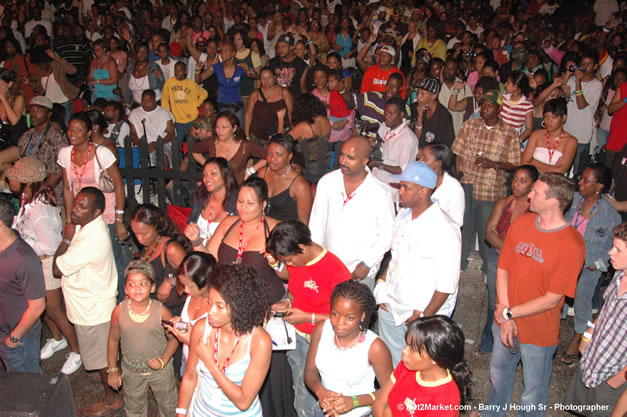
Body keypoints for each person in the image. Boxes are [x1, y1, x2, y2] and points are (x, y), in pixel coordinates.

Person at [479, 174, 585, 417]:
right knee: (498, 378)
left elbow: (552, 298)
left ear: (553, 202)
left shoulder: (572, 245)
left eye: (536, 192)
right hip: (504, 318)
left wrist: (509, 313)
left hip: (538, 330)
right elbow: (503, 268)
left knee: (533, 393)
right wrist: (505, 315)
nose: (529, 195)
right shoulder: (522, 223)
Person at [374, 162, 461, 366]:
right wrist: (381, 287)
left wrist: (423, 317)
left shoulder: (445, 228)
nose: (400, 192)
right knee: (392, 368)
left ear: (423, 191)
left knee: (420, 368)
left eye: (406, 187)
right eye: (400, 186)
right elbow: (395, 256)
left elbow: (447, 284)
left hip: (421, 316)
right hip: (391, 306)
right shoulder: (403, 216)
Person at [266, 220, 352, 417]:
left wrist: (309, 317)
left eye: (289, 260)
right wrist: (287, 301)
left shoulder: (336, 271)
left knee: (321, 399)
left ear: (302, 248)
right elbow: (296, 289)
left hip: (323, 342)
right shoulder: (297, 259)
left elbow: (349, 319)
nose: (288, 265)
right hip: (297, 338)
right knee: (301, 394)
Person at [6, 157, 81, 373]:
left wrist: (21, 245)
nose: (10, 181)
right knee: (43, 310)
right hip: (34, 264)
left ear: (28, 183)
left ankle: (77, 350)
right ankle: (58, 338)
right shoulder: (27, 201)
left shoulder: (41, 210)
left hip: (46, 266)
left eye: (15, 179)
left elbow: (50, 246)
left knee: (55, 310)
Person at [52, 187, 122, 416]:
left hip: (93, 309)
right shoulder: (90, 225)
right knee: (99, 353)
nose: (75, 209)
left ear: (97, 212)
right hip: (89, 303)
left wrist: (65, 238)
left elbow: (56, 269)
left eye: (83, 207)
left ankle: (111, 398)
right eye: (76, 203)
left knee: (103, 358)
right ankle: (102, 373)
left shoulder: (90, 239)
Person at [177, 263, 272, 417]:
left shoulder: (259, 341)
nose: (210, 311)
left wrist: (210, 364)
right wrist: (181, 413)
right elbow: (190, 377)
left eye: (219, 306)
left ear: (239, 306)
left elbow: (243, 402)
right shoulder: (202, 329)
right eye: (209, 302)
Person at [309, 136, 395, 289]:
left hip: (358, 272)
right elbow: (316, 222)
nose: (343, 160)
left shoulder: (380, 193)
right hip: (327, 266)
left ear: (365, 161)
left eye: (350, 158)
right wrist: (315, 257)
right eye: (342, 154)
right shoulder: (327, 182)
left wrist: (367, 263)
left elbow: (387, 234)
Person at [452, 90, 521, 274]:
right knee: (463, 228)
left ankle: (487, 268)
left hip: (490, 189)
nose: (485, 108)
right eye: (483, 104)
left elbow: (515, 164)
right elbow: (457, 153)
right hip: (467, 184)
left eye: (490, 105)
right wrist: (459, 176)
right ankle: (459, 265)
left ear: (499, 108)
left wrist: (494, 164)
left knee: (486, 231)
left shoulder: (509, 133)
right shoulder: (470, 125)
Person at [563, 222, 627, 416]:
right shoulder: (619, 274)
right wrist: (588, 334)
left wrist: (616, 380)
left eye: (618, 249)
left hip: (612, 375)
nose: (610, 252)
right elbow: (605, 311)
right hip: (592, 361)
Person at [304, 280, 394, 417]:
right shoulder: (322, 329)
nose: (339, 323)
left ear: (363, 316)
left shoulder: (374, 347)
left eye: (350, 317)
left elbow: (391, 390)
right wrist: (320, 391)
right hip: (324, 411)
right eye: (335, 314)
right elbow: (310, 370)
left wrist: (354, 401)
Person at [561, 164, 621, 364]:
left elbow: (614, 246)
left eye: (587, 180)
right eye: (581, 178)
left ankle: (578, 339)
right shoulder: (573, 201)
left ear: (599, 186)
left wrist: (598, 265)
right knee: (558, 296)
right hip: (564, 260)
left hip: (588, 267)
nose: (580, 183)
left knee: (582, 303)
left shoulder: (610, 215)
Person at [476, 165, 539, 355]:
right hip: (500, 258)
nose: (516, 184)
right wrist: (513, 251)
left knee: (518, 302)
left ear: (533, 184)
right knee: (495, 303)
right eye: (515, 179)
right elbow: (489, 232)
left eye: (523, 181)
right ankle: (489, 341)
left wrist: (511, 251)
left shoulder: (535, 208)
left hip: (524, 262)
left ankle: (515, 343)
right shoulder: (504, 202)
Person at [106, 260, 179, 417]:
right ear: (125, 288)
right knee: (134, 408)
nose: (137, 288)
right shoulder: (118, 312)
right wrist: (112, 369)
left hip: (161, 372)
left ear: (152, 287)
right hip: (132, 372)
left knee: (169, 406)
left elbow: (174, 339)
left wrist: (163, 360)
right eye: (131, 284)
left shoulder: (162, 311)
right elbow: (112, 341)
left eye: (143, 283)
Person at [373, 316, 472, 417]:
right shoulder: (407, 366)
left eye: (412, 349)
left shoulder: (445, 402)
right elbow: (380, 403)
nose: (404, 351)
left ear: (435, 358)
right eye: (407, 345)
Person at [0, 198, 46, 373]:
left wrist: (13, 338)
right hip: (4, 329)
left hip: (19, 338)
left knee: (28, 385)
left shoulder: (24, 258)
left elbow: (38, 306)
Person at [0, 96, 67, 210]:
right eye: (32, 110)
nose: (34, 114)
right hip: (27, 188)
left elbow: (55, 176)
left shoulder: (56, 139)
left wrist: (33, 194)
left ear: (49, 114)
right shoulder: (28, 134)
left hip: (45, 196)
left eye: (40, 111)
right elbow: (21, 157)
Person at [163, 252, 217, 377]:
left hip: (206, 371)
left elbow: (218, 348)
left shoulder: (218, 307)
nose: (186, 290)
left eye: (190, 286)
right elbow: (191, 327)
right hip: (187, 362)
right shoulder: (191, 295)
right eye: (183, 285)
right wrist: (179, 324)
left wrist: (191, 340)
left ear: (206, 280)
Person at [130, 204, 189, 316]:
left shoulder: (171, 249)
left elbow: (193, 277)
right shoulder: (148, 246)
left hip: (172, 312)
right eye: (135, 234)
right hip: (153, 310)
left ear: (156, 226)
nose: (139, 238)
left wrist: (170, 281)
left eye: (144, 234)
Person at [190, 111, 267, 184]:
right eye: (217, 127)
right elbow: (194, 150)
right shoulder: (212, 142)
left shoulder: (245, 145)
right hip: (215, 189)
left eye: (224, 127)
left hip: (236, 190)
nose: (220, 131)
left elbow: (269, 156)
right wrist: (208, 166)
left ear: (234, 128)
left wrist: (251, 170)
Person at [258, 133, 313, 224]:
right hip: (263, 229)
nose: (272, 159)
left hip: (286, 234)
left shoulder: (300, 185)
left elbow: (304, 223)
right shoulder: (262, 173)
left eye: (278, 155)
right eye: (269, 153)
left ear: (290, 156)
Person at [370, 97, 419, 198]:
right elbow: (380, 145)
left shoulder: (407, 139)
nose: (387, 116)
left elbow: (403, 169)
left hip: (390, 188)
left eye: (391, 114)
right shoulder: (384, 126)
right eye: (386, 113)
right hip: (375, 180)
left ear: (401, 115)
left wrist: (378, 164)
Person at [185, 158, 239, 249]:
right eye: (204, 174)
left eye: (213, 173)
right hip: (197, 252)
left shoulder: (238, 202)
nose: (207, 178)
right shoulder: (201, 198)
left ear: (225, 175)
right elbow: (189, 225)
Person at [522, 98, 578, 174]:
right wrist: (554, 168)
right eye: (546, 116)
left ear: (563, 118)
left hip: (556, 183)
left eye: (554, 117)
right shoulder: (536, 134)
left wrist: (533, 161)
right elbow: (524, 163)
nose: (549, 120)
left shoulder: (571, 141)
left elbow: (561, 170)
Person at [287, 93, 331, 184]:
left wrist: (280, 120)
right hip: (326, 166)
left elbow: (282, 142)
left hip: (309, 170)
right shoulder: (325, 120)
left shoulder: (303, 126)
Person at [418, 143, 465, 228]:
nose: (420, 161)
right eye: (420, 157)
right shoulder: (418, 181)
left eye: (425, 158)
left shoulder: (453, 187)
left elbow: (457, 222)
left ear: (439, 163)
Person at [161, 61, 208, 144]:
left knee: (192, 143)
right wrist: (168, 116)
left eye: (180, 70)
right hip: (177, 120)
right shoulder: (169, 82)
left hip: (192, 119)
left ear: (185, 71)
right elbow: (164, 100)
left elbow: (204, 93)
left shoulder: (191, 83)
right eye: (176, 70)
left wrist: (197, 103)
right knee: (176, 144)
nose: (177, 73)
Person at [244, 66, 293, 145]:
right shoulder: (254, 94)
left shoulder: (284, 92)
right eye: (263, 78)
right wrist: (247, 136)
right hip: (258, 136)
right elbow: (248, 115)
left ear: (274, 78)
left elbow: (291, 113)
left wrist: (292, 131)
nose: (266, 81)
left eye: (269, 78)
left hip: (279, 135)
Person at [128, 89, 176, 167]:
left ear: (154, 100)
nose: (145, 104)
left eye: (148, 101)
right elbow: (133, 134)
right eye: (143, 100)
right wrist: (143, 145)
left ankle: (163, 178)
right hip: (141, 144)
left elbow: (171, 133)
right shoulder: (134, 113)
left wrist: (157, 144)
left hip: (161, 143)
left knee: (163, 157)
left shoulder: (164, 112)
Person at [413, 77, 455, 149]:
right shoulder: (419, 107)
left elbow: (447, 147)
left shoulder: (443, 115)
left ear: (433, 96)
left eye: (423, 94)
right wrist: (419, 116)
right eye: (418, 92)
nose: (418, 96)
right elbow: (416, 138)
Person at [269, 34, 308, 101]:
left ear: (291, 47)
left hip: (294, 100)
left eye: (283, 46)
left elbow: (303, 88)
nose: (280, 49)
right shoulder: (272, 62)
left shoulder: (302, 65)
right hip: (275, 100)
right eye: (278, 47)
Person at [500, 70, 534, 144]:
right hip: (497, 137)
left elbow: (528, 129)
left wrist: (517, 141)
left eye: (508, 83)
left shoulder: (527, 106)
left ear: (515, 87)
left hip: (511, 140)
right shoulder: (502, 98)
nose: (505, 84)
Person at [0, 68, 27, 148]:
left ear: (10, 84)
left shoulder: (18, 98)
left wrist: (4, 100)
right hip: (3, 140)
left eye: (1, 85)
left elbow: (14, 121)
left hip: (17, 142)